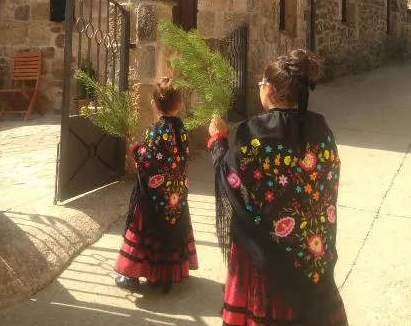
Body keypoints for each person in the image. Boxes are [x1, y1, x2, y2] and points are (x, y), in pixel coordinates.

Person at [208, 49, 348, 325]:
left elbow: (232, 179)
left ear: (269, 90)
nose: (261, 88)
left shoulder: (254, 131)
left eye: (261, 84)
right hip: (310, 248)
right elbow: (328, 179)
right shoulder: (321, 128)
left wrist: (218, 143)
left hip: (265, 254)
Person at [114, 77, 198, 293]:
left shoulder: (157, 129)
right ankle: (166, 273)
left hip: (155, 194)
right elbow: (176, 156)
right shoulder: (181, 129)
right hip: (175, 192)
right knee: (171, 228)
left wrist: (136, 150)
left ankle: (132, 274)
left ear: (154, 103)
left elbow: (150, 161)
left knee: (144, 229)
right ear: (179, 104)